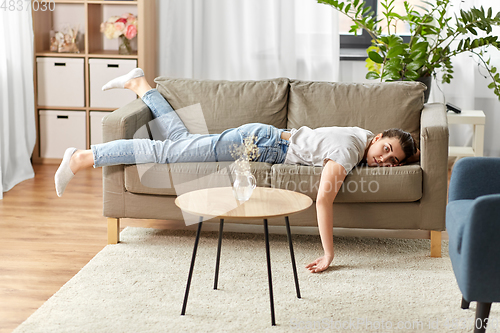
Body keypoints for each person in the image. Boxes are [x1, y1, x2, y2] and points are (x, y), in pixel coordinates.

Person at [54, 68, 420, 273]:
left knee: (181, 146)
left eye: (393, 162)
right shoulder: (350, 147)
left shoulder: (361, 135)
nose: (384, 161)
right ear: (380, 136)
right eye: (386, 149)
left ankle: (141, 85)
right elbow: (324, 199)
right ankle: (83, 158)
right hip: (259, 144)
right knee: (167, 152)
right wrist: (330, 254)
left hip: (264, 140)